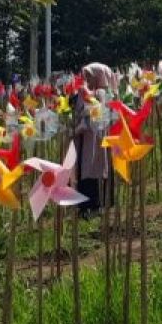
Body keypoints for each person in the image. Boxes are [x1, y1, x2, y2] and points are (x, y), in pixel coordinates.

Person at [72, 62, 117, 217]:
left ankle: (97, 205)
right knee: (85, 169)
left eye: (89, 76)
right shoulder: (84, 92)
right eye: (85, 76)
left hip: (96, 138)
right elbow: (79, 111)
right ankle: (85, 206)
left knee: (95, 168)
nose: (86, 79)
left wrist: (81, 123)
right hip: (86, 139)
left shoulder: (101, 93)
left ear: (99, 77)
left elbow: (96, 114)